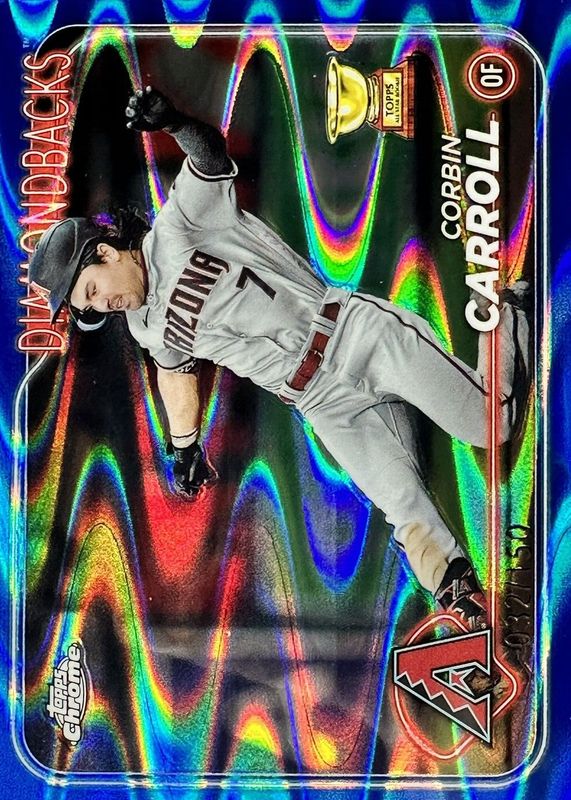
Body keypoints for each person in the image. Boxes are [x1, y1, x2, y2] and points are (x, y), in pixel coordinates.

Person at [28, 86, 531, 635]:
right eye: (88, 307)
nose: (101, 305)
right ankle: (470, 611)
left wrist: (174, 121)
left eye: (93, 290)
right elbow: (174, 372)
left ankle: (510, 308)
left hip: (353, 335)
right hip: (322, 401)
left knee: (490, 423)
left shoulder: (181, 226)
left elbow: (210, 156)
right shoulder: (143, 325)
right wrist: (184, 447)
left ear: (105, 252)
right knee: (402, 504)